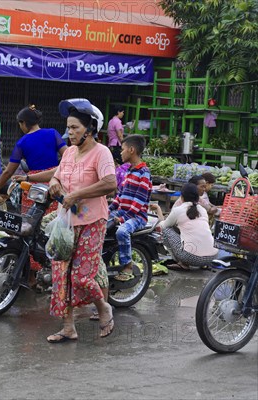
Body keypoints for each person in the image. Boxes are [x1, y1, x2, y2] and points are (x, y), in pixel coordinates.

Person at [46, 98, 117, 343]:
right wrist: (54, 185)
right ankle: (68, 327)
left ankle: (103, 307)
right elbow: (56, 177)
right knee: (61, 274)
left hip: (92, 221)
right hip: (66, 222)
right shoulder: (68, 154)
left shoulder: (102, 152)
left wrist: (77, 194)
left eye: (75, 127)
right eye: (68, 127)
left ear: (90, 129)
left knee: (81, 277)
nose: (70, 132)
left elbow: (110, 183)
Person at [0, 105, 67, 208]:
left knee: (32, 219)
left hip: (34, 186)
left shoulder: (22, 142)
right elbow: (68, 156)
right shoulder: (53, 133)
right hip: (54, 183)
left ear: (24, 123)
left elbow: (8, 172)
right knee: (53, 219)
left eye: (20, 124)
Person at [108, 135, 152, 282]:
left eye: (123, 149)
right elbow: (120, 196)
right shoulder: (128, 171)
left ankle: (127, 265)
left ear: (131, 150)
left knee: (122, 231)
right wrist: (108, 209)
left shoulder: (143, 172)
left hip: (137, 217)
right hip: (123, 212)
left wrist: (122, 219)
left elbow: (139, 201)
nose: (120, 153)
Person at [149, 183, 218, 270]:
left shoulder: (178, 210)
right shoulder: (202, 210)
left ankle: (181, 263)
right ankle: (202, 264)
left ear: (182, 197)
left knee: (166, 230)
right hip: (212, 256)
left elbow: (162, 226)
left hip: (191, 257)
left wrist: (158, 209)